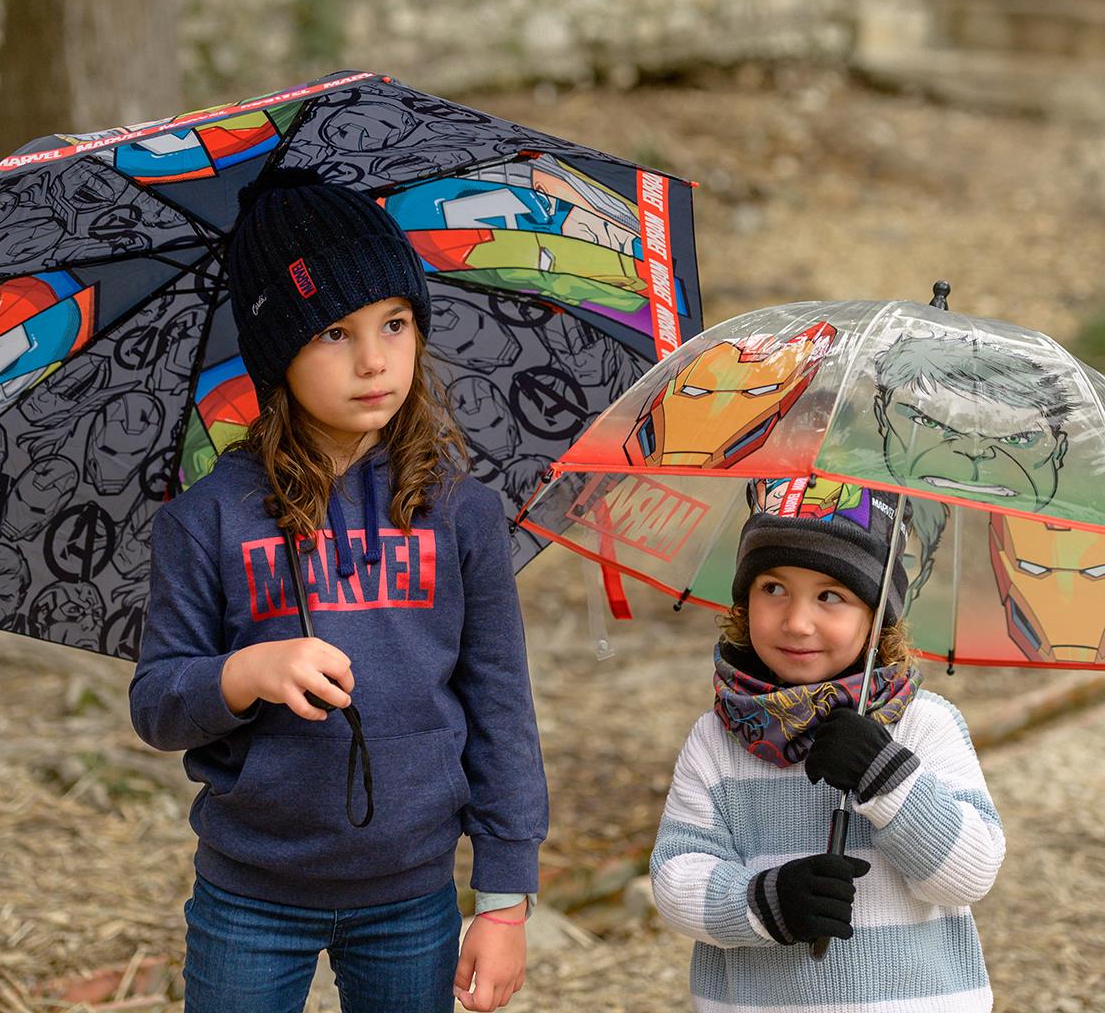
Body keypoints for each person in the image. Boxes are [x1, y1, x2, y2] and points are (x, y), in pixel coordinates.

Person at [129, 168, 548, 1013]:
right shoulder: (207, 519)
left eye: (394, 324)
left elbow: (500, 702)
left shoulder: (460, 512)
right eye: (332, 332)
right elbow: (157, 703)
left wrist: (505, 896)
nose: (373, 360)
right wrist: (243, 674)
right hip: (250, 893)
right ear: (277, 353)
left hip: (410, 893)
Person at [650, 476, 1005, 1012]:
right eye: (773, 588)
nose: (796, 622)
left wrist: (885, 776)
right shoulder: (717, 739)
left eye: (830, 597)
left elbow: (970, 874)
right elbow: (676, 878)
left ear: (877, 615)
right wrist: (765, 902)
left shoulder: (924, 726)